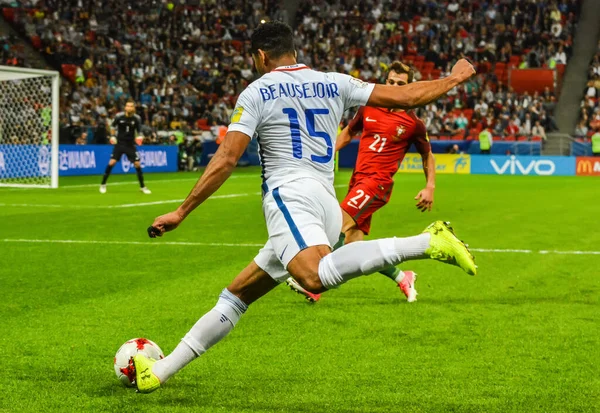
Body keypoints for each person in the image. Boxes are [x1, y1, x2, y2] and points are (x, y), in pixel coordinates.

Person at [132, 21, 477, 394]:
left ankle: (427, 243)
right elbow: (409, 97)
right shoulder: (336, 81)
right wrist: (455, 78)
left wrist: (181, 212)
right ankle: (160, 372)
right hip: (325, 204)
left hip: (289, 197)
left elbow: (227, 158)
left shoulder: (256, 92)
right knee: (236, 296)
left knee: (312, 278)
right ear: (293, 50)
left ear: (261, 56)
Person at [286, 61, 436, 303]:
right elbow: (348, 132)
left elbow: (426, 154)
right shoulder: (369, 107)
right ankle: (402, 277)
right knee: (353, 246)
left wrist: (430, 186)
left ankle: (314, 284)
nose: (394, 87)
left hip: (377, 184)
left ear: (409, 87)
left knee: (336, 224)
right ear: (385, 82)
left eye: (401, 84)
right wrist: (326, 153)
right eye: (391, 82)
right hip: (358, 181)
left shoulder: (413, 123)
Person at [99, 99, 151, 194]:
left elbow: (139, 131)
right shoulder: (119, 116)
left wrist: (140, 136)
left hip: (130, 144)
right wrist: (113, 136)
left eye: (131, 106)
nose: (129, 108)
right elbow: (113, 127)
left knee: (137, 164)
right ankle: (103, 184)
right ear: (125, 107)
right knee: (112, 163)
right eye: (128, 106)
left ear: (134, 108)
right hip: (120, 144)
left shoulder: (137, 118)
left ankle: (143, 187)